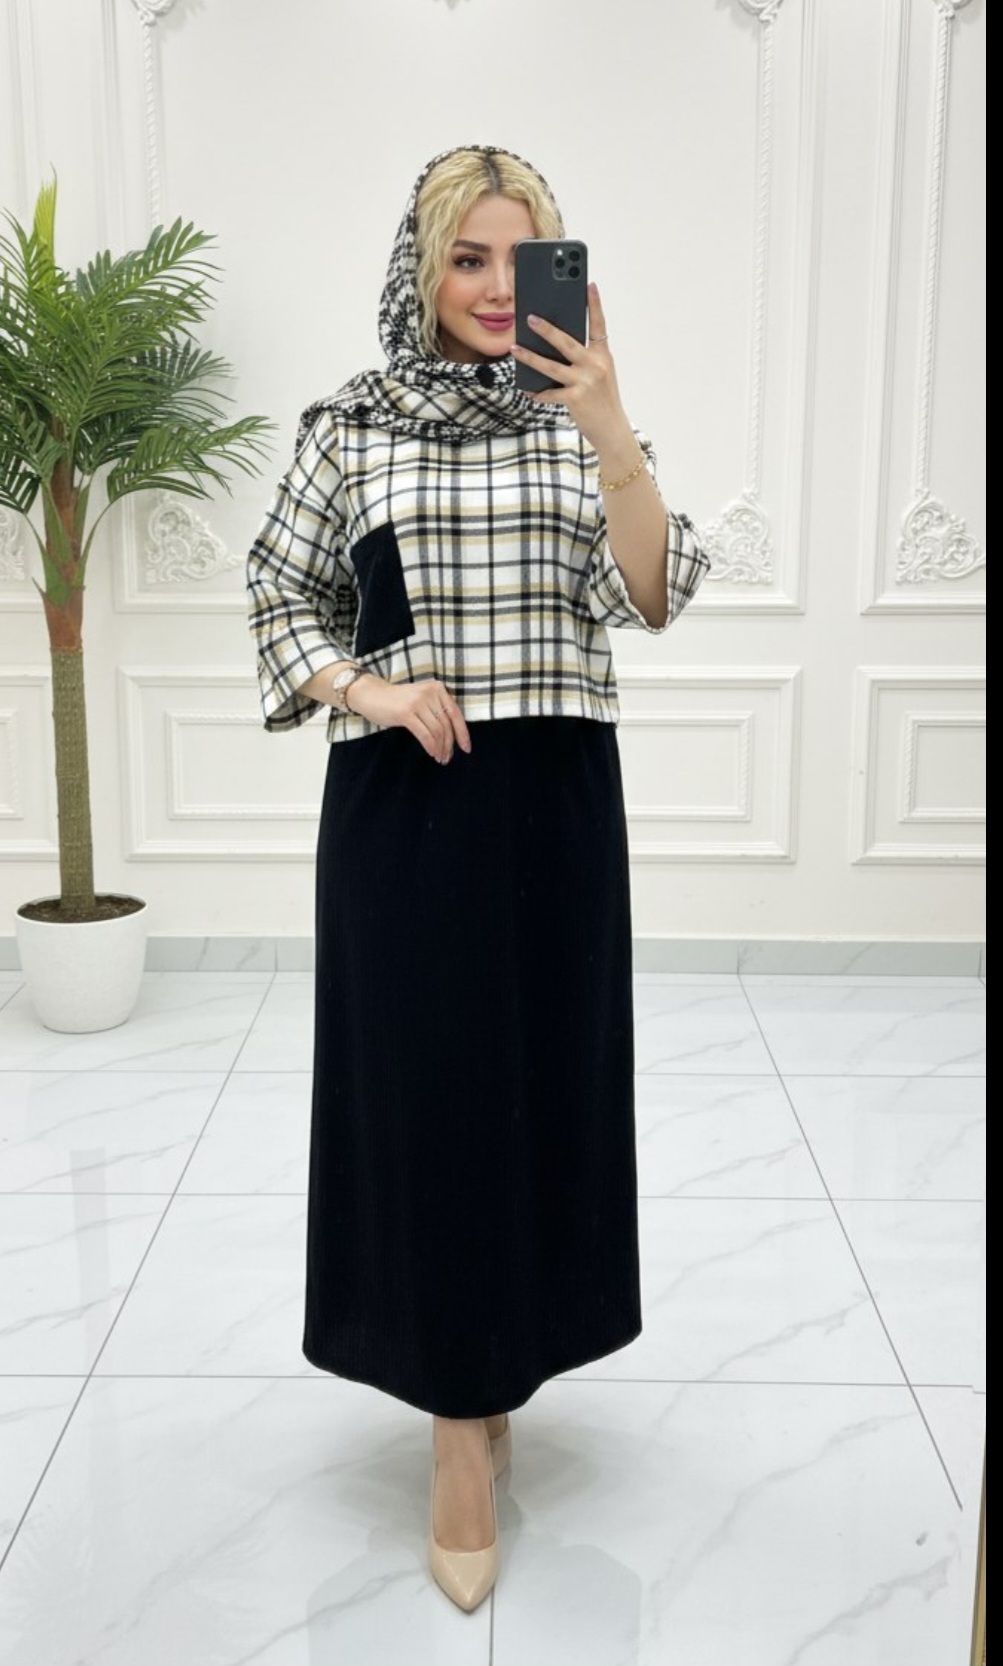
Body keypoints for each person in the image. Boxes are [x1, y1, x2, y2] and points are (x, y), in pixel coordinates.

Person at [246, 143, 709, 1614]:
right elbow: (277, 591)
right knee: (431, 1105)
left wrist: (612, 423)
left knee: (541, 1095)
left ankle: (501, 1365)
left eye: (523, 257)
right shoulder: (350, 425)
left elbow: (653, 589)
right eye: (468, 258)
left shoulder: (579, 418)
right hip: (409, 807)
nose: (499, 288)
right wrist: (373, 690)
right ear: (423, 267)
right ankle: (457, 1436)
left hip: (556, 803)